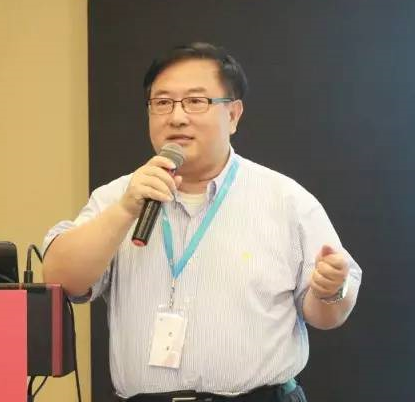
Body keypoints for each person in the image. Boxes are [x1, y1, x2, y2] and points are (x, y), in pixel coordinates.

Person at [43, 42, 362, 402]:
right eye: (162, 102)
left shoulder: (286, 200)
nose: (177, 117)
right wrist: (125, 210)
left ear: (233, 114)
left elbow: (326, 315)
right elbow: (60, 279)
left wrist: (330, 290)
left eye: (196, 101)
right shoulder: (118, 197)